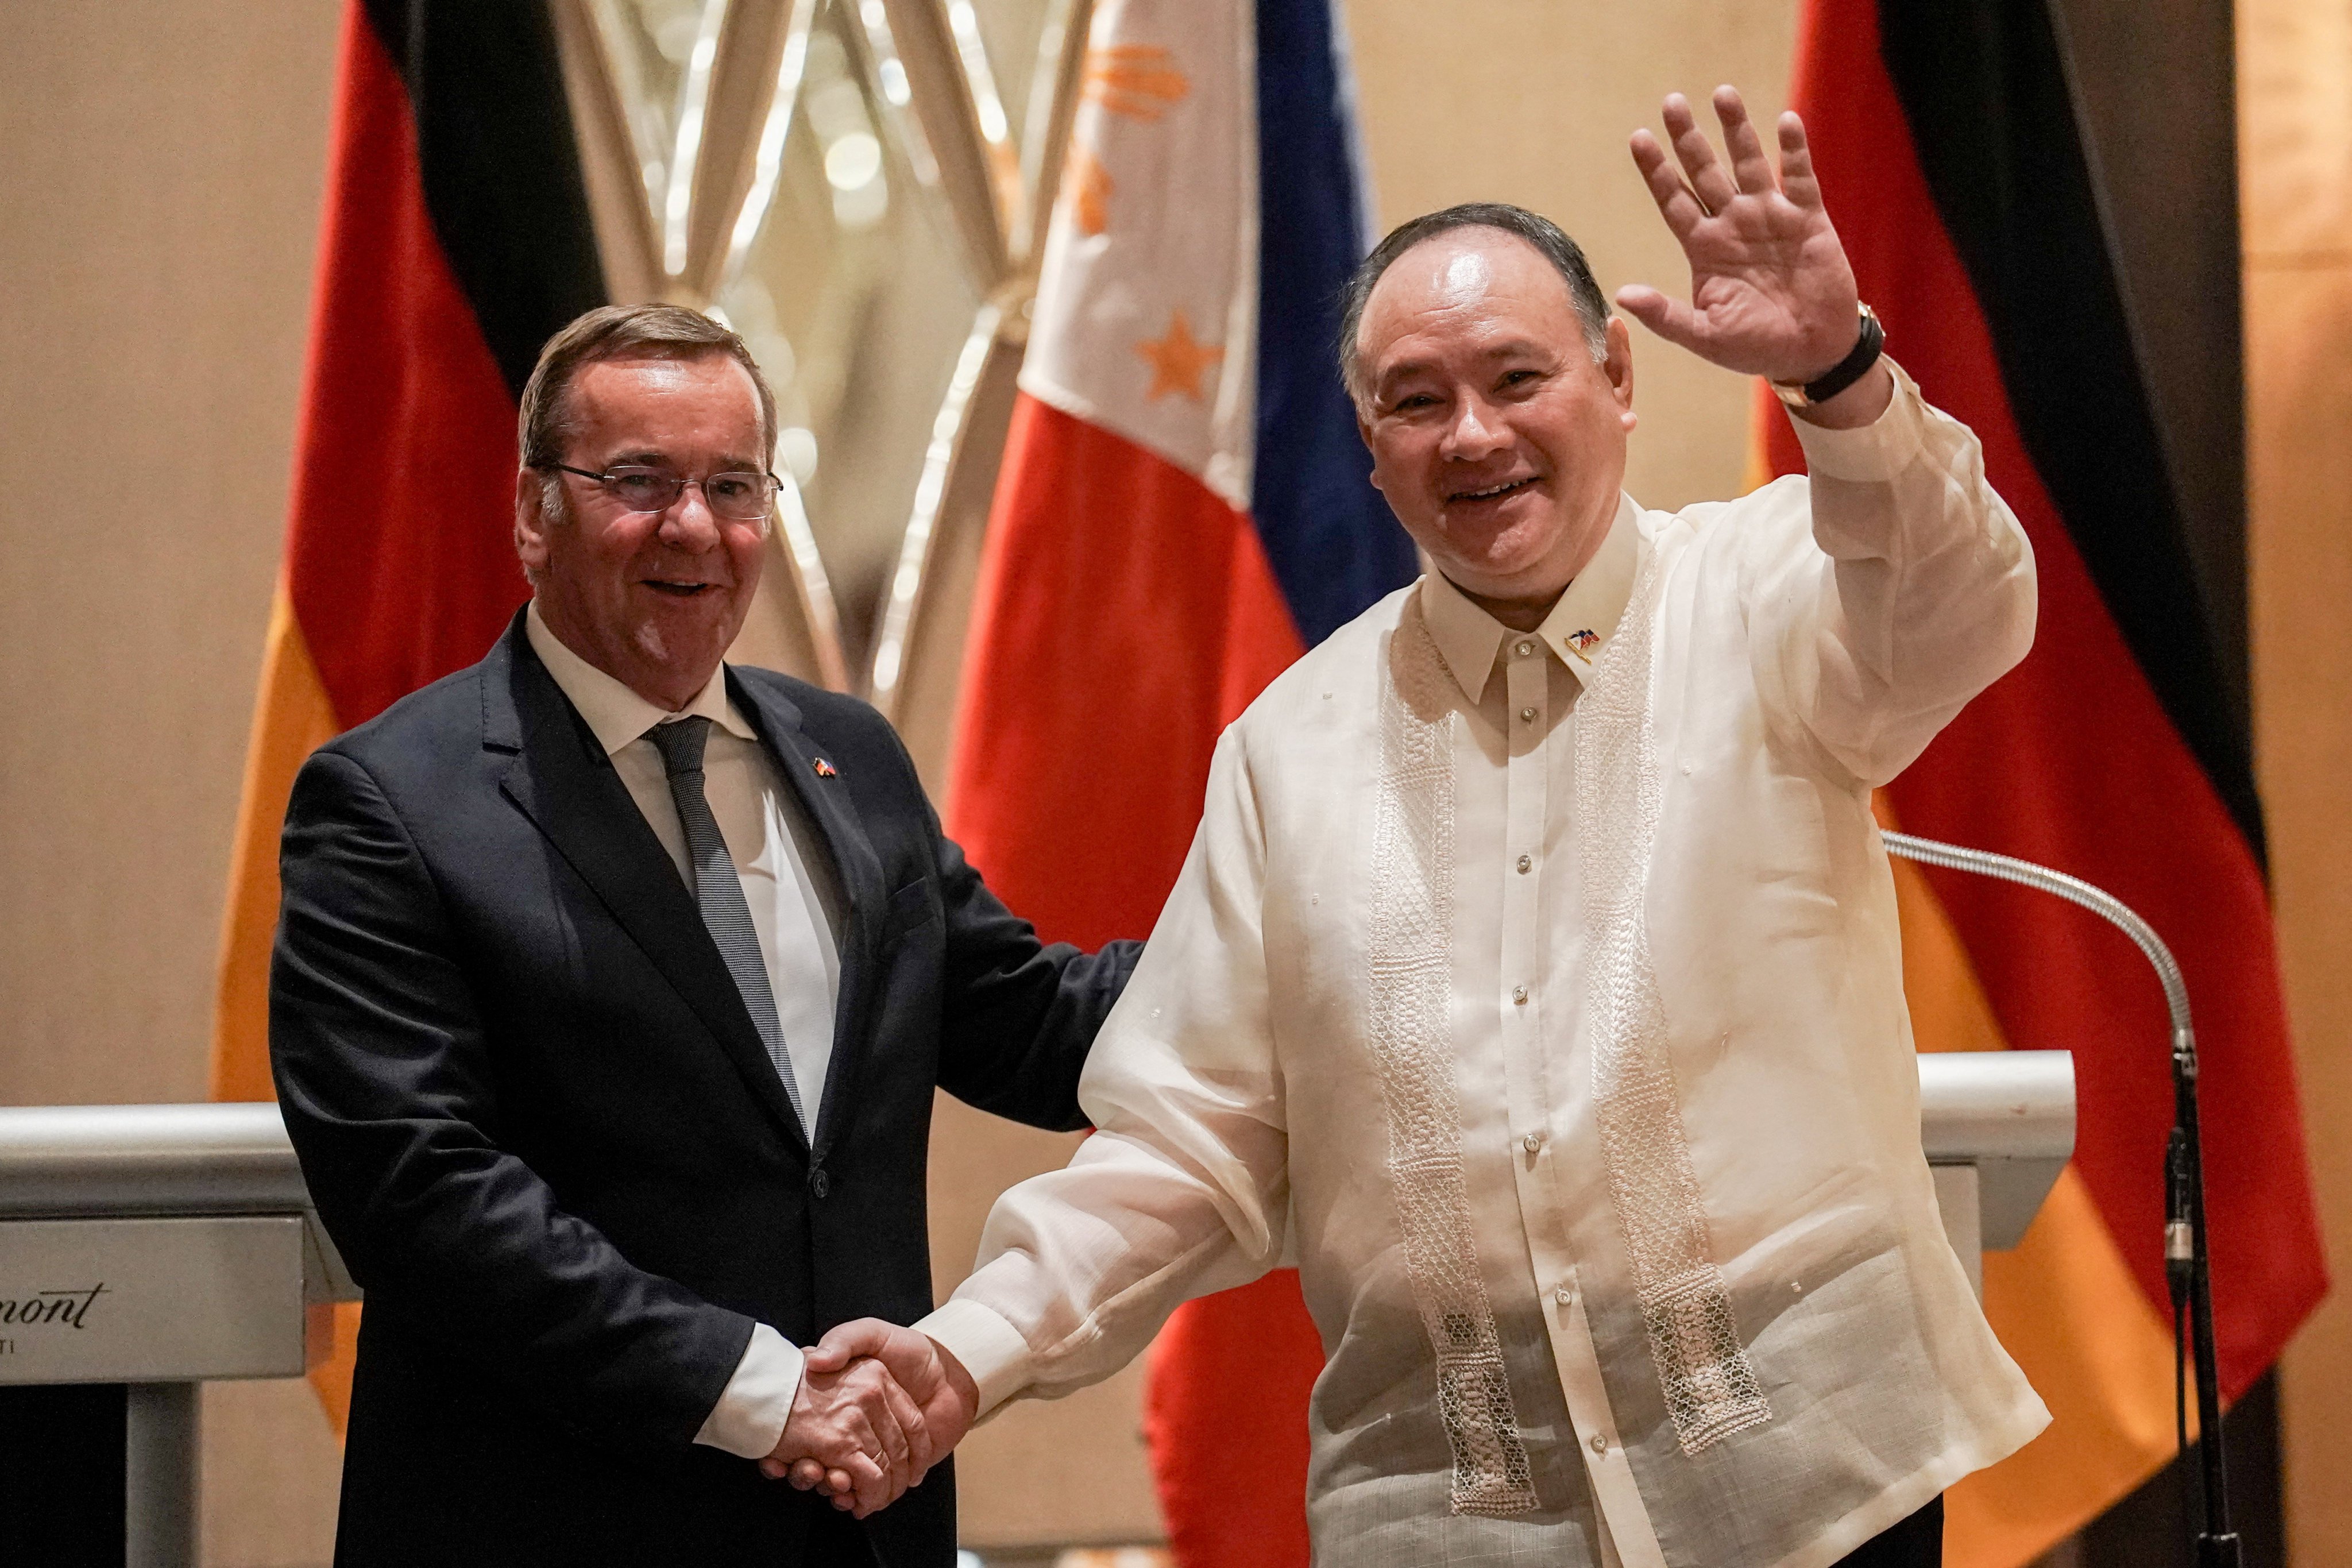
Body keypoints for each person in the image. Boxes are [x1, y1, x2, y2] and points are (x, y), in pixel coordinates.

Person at [821, 87, 2050, 1566]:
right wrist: (965, 1351)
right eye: (1416, 400)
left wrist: (1839, 379)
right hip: (1450, 1518)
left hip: (1804, 1484)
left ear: (1614, 376)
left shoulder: (1766, 592)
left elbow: (1959, 612)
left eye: (1517, 379)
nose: (1472, 436)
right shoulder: (1290, 748)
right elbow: (1188, 1137)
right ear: (1366, 443)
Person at [270, 302, 1137, 1567]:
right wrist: (761, 1394)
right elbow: (421, 1194)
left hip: (858, 1518)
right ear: (532, 513)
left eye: (732, 485)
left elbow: (1032, 1024)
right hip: (551, 1519)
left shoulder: (851, 757)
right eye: (638, 482)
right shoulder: (390, 805)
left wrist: (1298, 934)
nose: (695, 527)